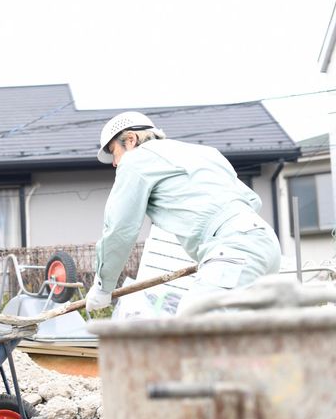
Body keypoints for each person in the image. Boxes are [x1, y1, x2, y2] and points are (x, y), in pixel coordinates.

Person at [84, 111, 281, 316]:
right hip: (266, 245)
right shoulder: (203, 152)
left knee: (193, 323)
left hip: (234, 249)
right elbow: (252, 200)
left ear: (131, 140)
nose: (114, 163)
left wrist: (102, 285)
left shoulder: (136, 160)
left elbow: (120, 228)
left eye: (114, 152)